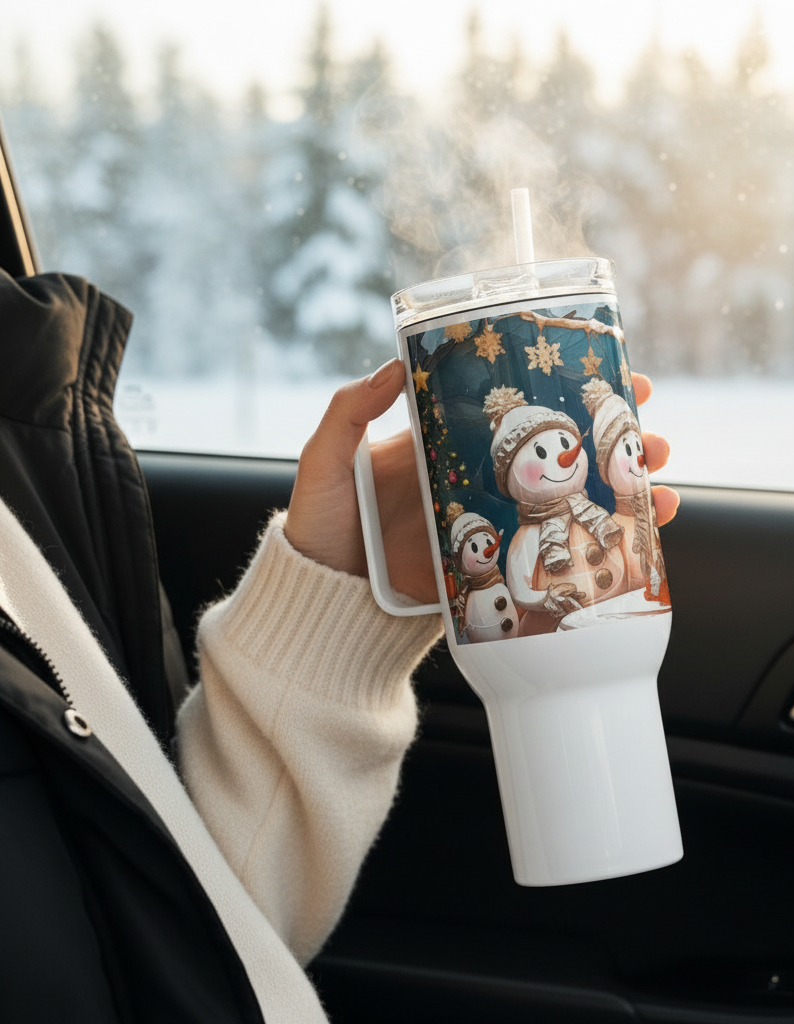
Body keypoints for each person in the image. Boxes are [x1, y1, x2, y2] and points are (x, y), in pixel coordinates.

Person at [0, 270, 678, 1023]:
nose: (556, 466)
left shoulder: (25, 442)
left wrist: (345, 597)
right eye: (537, 455)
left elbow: (208, 931)